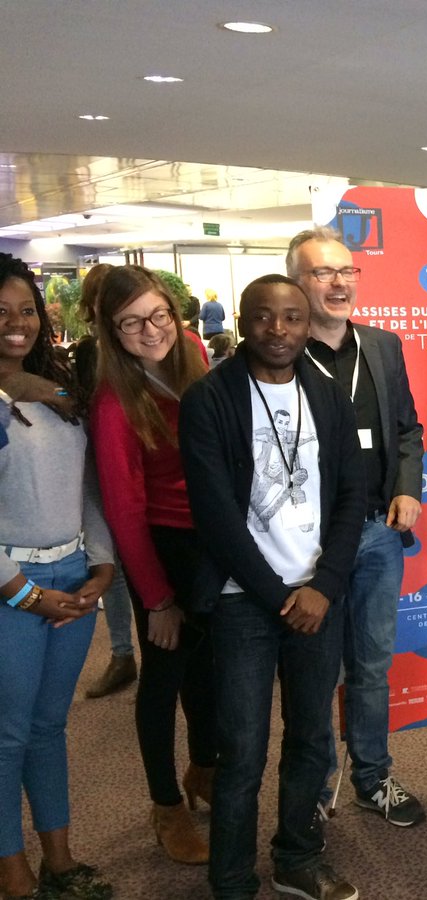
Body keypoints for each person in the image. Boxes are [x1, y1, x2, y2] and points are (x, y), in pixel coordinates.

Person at [180, 275, 365, 900]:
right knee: (242, 749)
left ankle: (296, 858)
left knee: (312, 737)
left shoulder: (328, 395)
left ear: (307, 324)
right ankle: (232, 879)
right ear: (242, 320)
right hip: (245, 602)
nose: (278, 330)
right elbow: (215, 517)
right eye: (263, 316)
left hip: (318, 598)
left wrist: (324, 586)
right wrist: (278, 596)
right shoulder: (209, 399)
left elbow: (352, 495)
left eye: (291, 317)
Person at [286, 227, 427, 828]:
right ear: (297, 282)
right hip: (309, 544)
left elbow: (408, 428)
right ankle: (313, 790)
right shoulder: (281, 355)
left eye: (348, 271)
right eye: (324, 273)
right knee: (317, 673)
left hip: (378, 534)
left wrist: (407, 487)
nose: (340, 283)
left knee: (372, 666)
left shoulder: (383, 346)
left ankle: (372, 777)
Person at [0, 253, 116, 900]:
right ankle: (11, 871)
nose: (16, 323)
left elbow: (86, 484)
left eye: (27, 310)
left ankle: (60, 861)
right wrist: (24, 593)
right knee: (7, 735)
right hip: (12, 584)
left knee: (48, 727)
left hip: (72, 575)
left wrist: (101, 561)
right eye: (0, 312)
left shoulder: (54, 388)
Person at [92, 265, 215, 865]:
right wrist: (157, 598)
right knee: (164, 676)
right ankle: (166, 806)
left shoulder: (191, 349)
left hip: (213, 538)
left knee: (209, 669)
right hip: (160, 546)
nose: (150, 331)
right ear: (112, 331)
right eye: (132, 323)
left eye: (158, 314)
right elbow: (124, 508)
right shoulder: (114, 401)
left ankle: (205, 770)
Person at [66, 263, 140, 699]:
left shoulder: (141, 345)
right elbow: (81, 404)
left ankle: (129, 652)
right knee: (109, 562)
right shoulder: (89, 352)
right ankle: (121, 652)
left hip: (135, 465)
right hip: (102, 464)